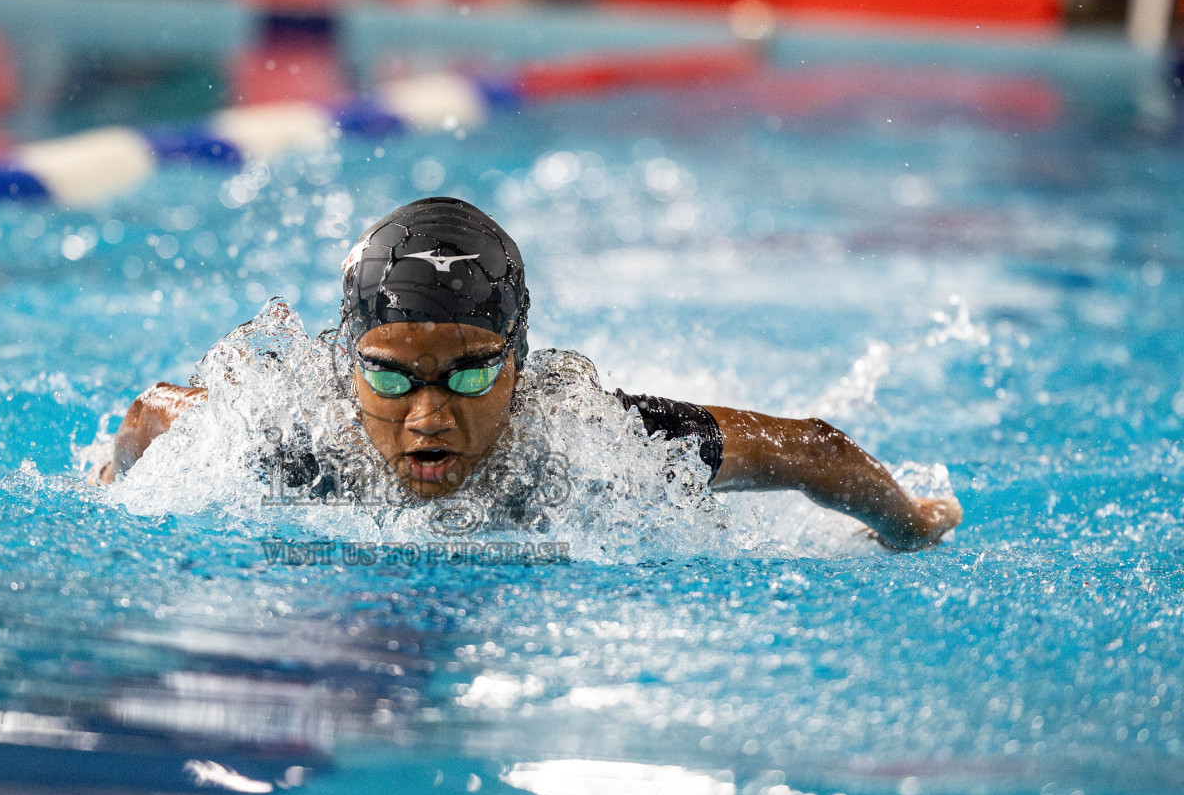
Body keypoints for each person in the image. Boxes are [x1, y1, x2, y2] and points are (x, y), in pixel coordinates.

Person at [99, 196, 961, 551]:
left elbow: (812, 448)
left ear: (520, 363)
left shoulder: (585, 437)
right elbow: (149, 416)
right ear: (346, 362)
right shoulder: (286, 427)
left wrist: (912, 525)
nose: (428, 417)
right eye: (393, 379)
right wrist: (111, 482)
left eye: (470, 377)